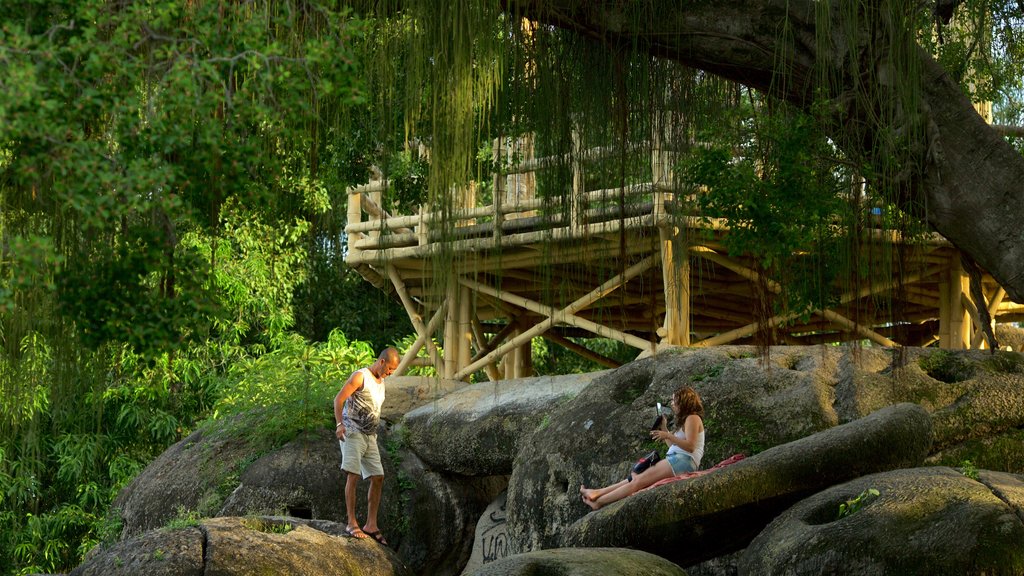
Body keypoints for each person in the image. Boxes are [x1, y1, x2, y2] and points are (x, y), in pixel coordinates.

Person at [580, 385, 705, 511]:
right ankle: (597, 493)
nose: (672, 404)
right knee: (634, 477)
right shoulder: (686, 420)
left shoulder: (692, 418)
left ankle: (599, 502)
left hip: (684, 461)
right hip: (678, 458)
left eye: (674, 401)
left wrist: (668, 435)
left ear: (683, 402)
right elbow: (673, 446)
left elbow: (690, 446)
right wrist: (664, 429)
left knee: (637, 481)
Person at [334, 347, 400, 544]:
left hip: (370, 436)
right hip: (352, 432)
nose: (390, 373)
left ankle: (371, 524)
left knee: (378, 477)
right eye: (389, 369)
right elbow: (338, 399)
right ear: (381, 362)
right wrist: (339, 424)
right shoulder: (360, 376)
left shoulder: (381, 383)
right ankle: (351, 523)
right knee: (353, 476)